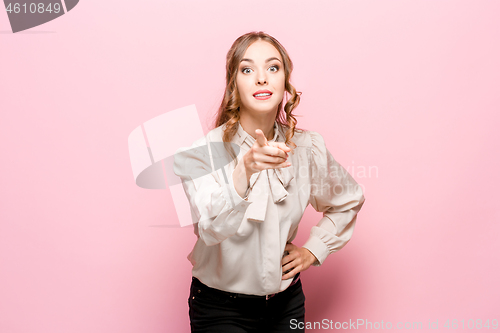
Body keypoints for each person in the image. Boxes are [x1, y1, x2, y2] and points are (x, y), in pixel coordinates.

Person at [173, 31, 366, 333]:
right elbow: (210, 230)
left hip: (286, 304)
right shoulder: (199, 155)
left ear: (285, 80)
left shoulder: (307, 147)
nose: (262, 78)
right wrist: (244, 170)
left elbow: (348, 200)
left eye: (273, 68)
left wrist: (314, 249)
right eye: (247, 69)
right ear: (234, 83)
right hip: (220, 310)